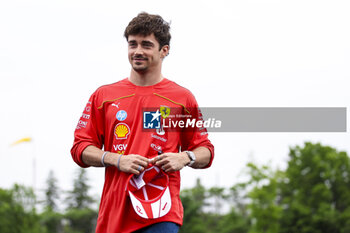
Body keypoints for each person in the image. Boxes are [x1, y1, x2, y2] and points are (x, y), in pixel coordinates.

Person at [71, 12, 214, 233]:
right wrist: (116, 160)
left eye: (146, 45)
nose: (138, 51)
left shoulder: (182, 98)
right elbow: (79, 148)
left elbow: (205, 150)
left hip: (160, 212)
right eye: (132, 44)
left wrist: (185, 157)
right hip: (114, 214)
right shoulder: (104, 96)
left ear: (164, 50)